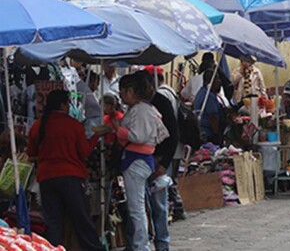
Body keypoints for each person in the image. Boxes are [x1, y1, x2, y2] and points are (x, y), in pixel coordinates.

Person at [27, 90, 105, 251]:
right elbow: (84, 151)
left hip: (47, 178)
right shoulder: (73, 125)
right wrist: (96, 137)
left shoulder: (38, 125)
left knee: (53, 222)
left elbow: (31, 152)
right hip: (71, 177)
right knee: (81, 219)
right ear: (63, 105)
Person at [105, 73, 168, 251]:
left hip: (136, 161)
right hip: (141, 160)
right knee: (138, 207)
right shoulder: (145, 109)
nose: (122, 97)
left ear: (131, 91)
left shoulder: (141, 110)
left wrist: (119, 130)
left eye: (123, 92)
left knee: (136, 208)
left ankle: (141, 246)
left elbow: (137, 136)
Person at [141, 70, 179, 251]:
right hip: (142, 159)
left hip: (159, 159)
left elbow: (173, 134)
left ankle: (162, 243)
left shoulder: (161, 103)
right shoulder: (138, 104)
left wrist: (164, 163)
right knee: (143, 205)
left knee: (159, 204)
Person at [193, 70, 224, 144]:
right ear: (210, 81)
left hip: (200, 131)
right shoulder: (209, 96)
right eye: (217, 79)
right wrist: (217, 134)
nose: (219, 81)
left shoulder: (201, 91)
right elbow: (212, 117)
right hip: (208, 134)